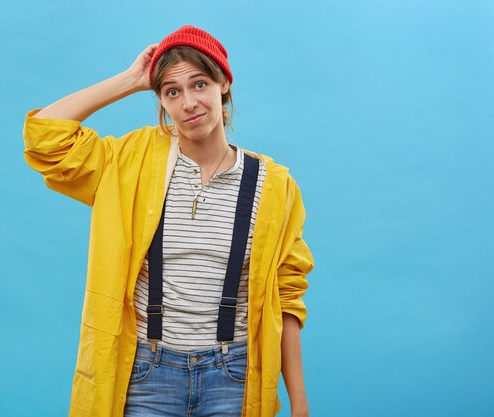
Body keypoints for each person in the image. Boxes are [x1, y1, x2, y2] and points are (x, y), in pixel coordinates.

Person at [22, 25, 314, 417]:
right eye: (171, 91)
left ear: (223, 83)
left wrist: (299, 403)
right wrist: (130, 80)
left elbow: (287, 296)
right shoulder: (130, 162)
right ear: (159, 98)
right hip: (146, 374)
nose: (188, 103)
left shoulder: (274, 185)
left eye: (199, 84)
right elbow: (44, 137)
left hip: (234, 378)